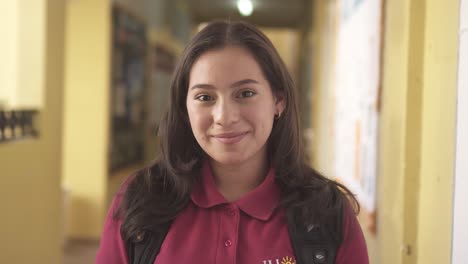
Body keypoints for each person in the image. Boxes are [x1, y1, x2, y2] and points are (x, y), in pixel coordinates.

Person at [96, 20, 368, 264]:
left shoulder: (326, 212)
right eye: (205, 97)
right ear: (184, 108)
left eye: (245, 93)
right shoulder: (141, 198)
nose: (224, 117)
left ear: (278, 101)